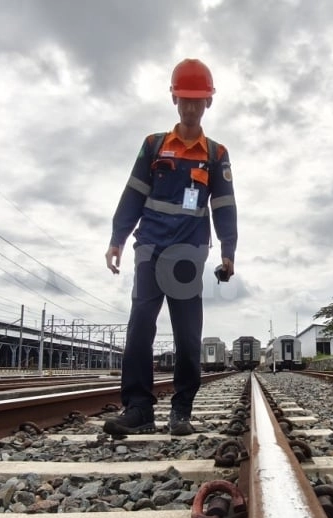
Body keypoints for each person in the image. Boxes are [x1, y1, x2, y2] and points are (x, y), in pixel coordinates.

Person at [104, 58, 237, 436]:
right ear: (174, 99)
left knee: (187, 335)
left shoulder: (215, 154)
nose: (191, 107)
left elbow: (224, 204)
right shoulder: (154, 146)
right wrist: (117, 237)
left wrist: (229, 248)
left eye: (197, 100)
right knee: (139, 331)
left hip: (188, 255)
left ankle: (181, 412)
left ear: (209, 102)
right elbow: (133, 194)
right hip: (149, 248)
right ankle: (139, 410)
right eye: (184, 99)